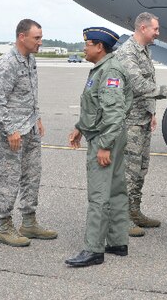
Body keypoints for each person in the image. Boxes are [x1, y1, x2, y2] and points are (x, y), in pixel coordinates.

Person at [66, 27, 132, 267]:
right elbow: (96, 107)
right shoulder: (103, 69)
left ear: (99, 47)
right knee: (115, 190)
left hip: (106, 138)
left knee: (99, 195)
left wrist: (104, 145)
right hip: (106, 135)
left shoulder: (110, 71)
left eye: (87, 44)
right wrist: (80, 127)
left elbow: (114, 115)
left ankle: (93, 249)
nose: (84, 49)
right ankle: (117, 242)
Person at [0, 19, 57, 248]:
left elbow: (30, 93)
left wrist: (37, 118)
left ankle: (29, 221)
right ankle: (5, 226)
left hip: (29, 128)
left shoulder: (30, 60)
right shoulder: (8, 63)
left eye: (40, 37)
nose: (40, 42)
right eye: (36, 38)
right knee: (9, 178)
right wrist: (11, 130)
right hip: (12, 132)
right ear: (22, 37)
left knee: (32, 175)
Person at [114, 12, 167, 237]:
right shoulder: (127, 52)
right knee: (128, 172)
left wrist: (151, 112)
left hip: (142, 119)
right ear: (142, 28)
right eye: (155, 30)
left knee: (140, 170)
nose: (158, 33)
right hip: (130, 122)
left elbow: (147, 84)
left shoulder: (144, 51)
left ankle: (134, 211)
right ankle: (122, 218)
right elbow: (139, 85)